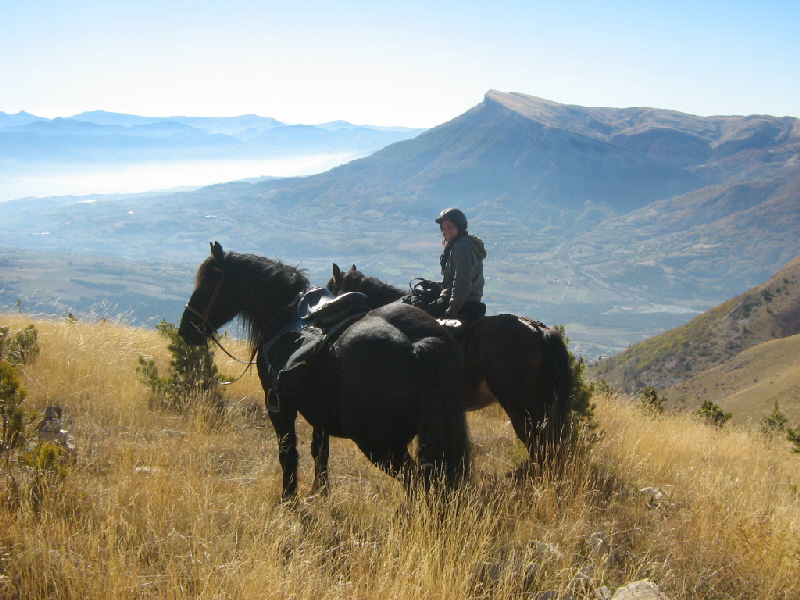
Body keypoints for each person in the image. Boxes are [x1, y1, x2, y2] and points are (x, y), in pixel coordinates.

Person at [425, 207, 487, 323]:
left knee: (420, 318)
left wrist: (451, 312)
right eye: (443, 228)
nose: (445, 232)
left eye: (450, 227)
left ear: (460, 227)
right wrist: (436, 284)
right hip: (469, 298)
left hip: (462, 301)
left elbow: (462, 282)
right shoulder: (465, 243)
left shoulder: (461, 247)